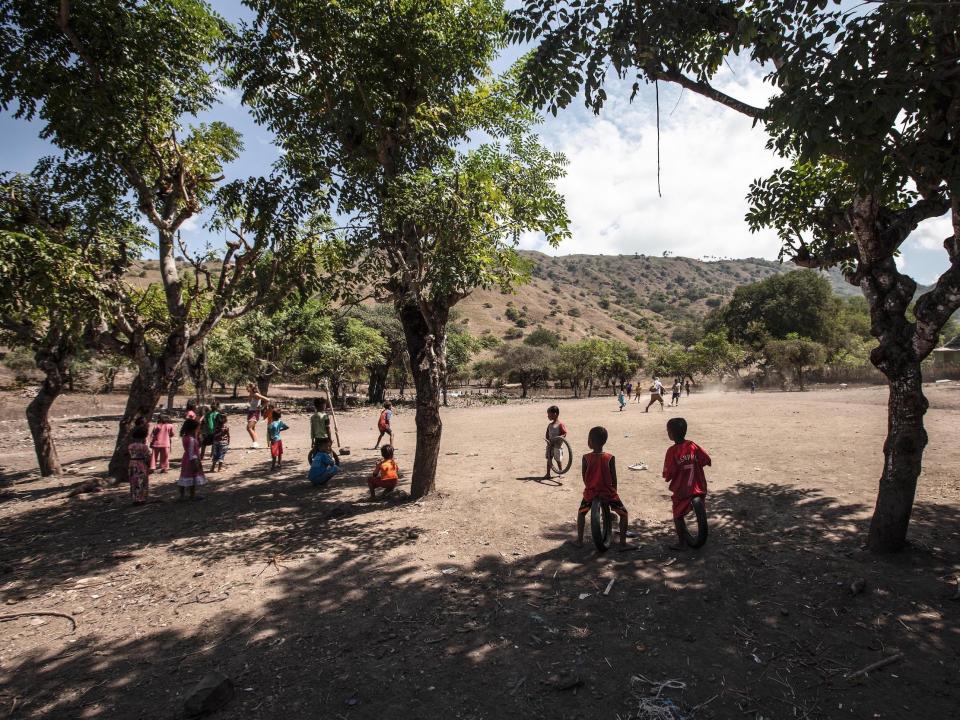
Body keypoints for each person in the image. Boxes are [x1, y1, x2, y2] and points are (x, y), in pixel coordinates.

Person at [576, 426, 631, 551]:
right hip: (608, 493)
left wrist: (590, 487)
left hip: (591, 493)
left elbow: (584, 477)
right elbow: (614, 478)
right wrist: (614, 492)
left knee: (581, 513)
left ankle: (579, 540)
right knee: (623, 514)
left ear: (590, 441)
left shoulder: (586, 458)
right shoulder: (610, 458)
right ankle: (623, 543)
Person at [662, 417, 711, 551]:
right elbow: (706, 459)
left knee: (677, 515)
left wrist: (668, 476)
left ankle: (681, 543)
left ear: (671, 434)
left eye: (668, 431)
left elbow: (668, 473)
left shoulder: (672, 451)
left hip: (682, 489)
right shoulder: (692, 445)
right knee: (700, 504)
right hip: (699, 485)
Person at [177, 418, 206, 500]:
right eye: (198, 428)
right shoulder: (191, 439)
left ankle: (182, 495)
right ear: (193, 429)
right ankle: (192, 495)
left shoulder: (186, 437)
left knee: (184, 476)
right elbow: (192, 452)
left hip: (186, 459)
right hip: (192, 460)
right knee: (192, 476)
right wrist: (196, 462)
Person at [128, 424, 151, 505]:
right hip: (141, 464)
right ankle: (142, 498)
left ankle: (135, 499)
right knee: (142, 481)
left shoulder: (130, 446)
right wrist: (148, 465)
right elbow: (148, 457)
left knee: (133, 482)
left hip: (132, 464)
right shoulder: (144, 447)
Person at [544, 405, 568, 479]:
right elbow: (547, 435)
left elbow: (564, 433)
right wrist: (548, 441)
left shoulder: (560, 424)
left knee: (558, 460)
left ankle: (560, 472)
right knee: (549, 459)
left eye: (549, 414)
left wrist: (560, 437)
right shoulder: (550, 425)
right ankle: (548, 474)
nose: (548, 416)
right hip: (550, 445)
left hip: (557, 446)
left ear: (555, 414)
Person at [245, 382, 271, 448]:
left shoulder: (256, 394)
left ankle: (255, 443)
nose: (246, 388)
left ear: (251, 387)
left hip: (255, 413)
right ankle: (255, 443)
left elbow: (267, 400)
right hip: (250, 412)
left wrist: (262, 407)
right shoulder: (250, 394)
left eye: (247, 387)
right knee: (252, 428)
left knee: (249, 428)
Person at [309, 397, 332, 462]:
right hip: (324, 437)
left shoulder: (313, 417)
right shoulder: (325, 416)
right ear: (323, 405)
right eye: (325, 404)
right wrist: (330, 438)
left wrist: (312, 440)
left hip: (317, 438)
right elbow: (328, 428)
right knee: (327, 452)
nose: (325, 406)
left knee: (317, 453)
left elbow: (312, 429)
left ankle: (317, 465)